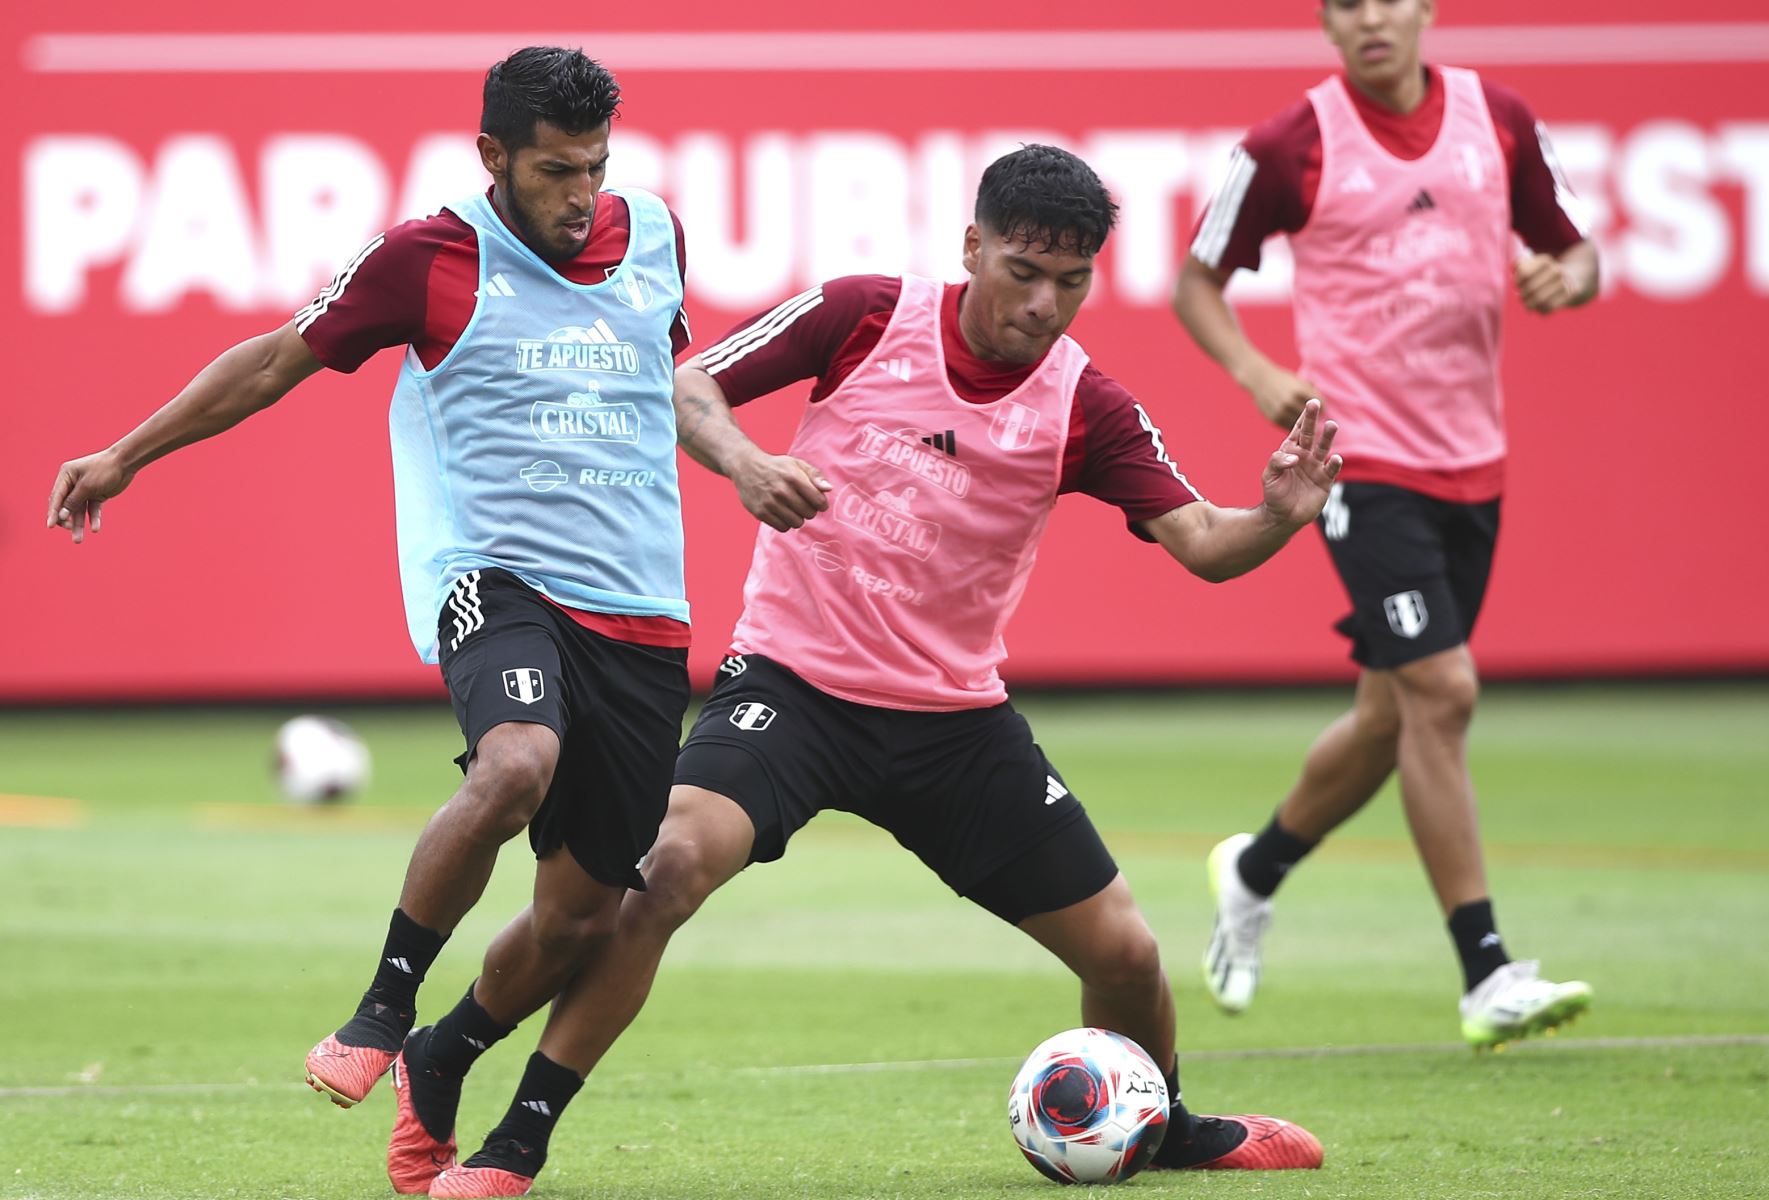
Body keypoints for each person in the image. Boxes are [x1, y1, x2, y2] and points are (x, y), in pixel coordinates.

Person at [403, 144, 1334, 1200]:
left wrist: (1279, 519)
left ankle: (1162, 1123)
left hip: (953, 724)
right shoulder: (863, 315)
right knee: (660, 874)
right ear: (972, 246)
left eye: (1070, 284)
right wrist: (748, 463)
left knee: (1124, 954)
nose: (1042, 304)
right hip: (791, 691)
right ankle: (516, 1140)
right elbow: (683, 379)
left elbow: (1207, 543)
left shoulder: (1085, 404)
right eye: (1023, 271)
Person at [45, 46, 696, 1165]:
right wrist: (128, 453)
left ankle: (442, 1053)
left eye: (593, 167)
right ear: (492, 155)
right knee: (516, 762)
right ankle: (383, 1010)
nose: (579, 195)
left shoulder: (656, 236)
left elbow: (674, 384)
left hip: (642, 613)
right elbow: (271, 362)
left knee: (581, 920)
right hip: (491, 578)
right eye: (552, 171)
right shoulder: (426, 257)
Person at [1171, 0, 1598, 1049]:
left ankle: (1254, 869)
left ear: (1425, 11)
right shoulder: (1291, 144)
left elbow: (1578, 253)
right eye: (1348, 3)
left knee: (1391, 717)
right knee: (1444, 693)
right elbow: (1195, 281)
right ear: (1326, 22)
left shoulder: (1497, 120)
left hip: (1474, 466)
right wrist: (1260, 372)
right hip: (1361, 464)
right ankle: (1487, 971)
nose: (1372, 19)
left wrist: (1563, 278)